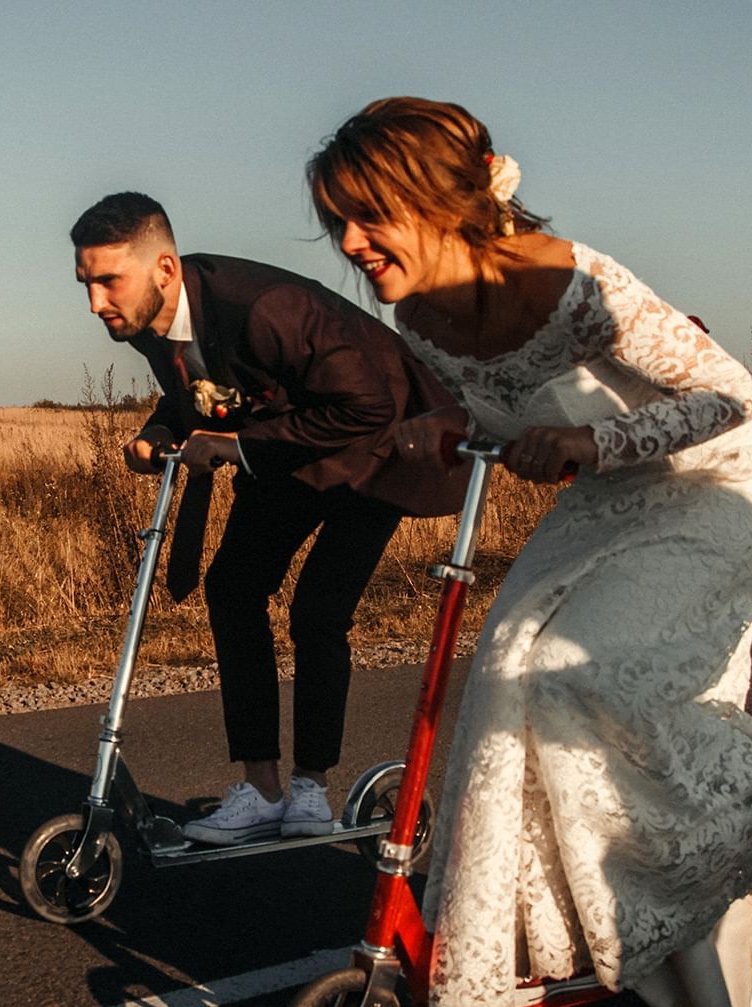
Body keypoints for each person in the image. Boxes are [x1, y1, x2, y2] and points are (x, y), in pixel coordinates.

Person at [306, 98, 752, 1007]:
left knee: (581, 680)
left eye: (370, 215)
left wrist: (585, 442)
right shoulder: (414, 318)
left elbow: (728, 402)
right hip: (613, 497)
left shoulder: (570, 280)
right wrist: (438, 438)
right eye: (338, 222)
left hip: (724, 482)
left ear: (441, 201)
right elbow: (484, 417)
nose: (350, 243)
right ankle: (529, 930)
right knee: (499, 678)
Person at [69, 192, 464, 846]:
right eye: (86, 284)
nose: (96, 303)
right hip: (289, 454)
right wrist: (159, 430)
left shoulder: (264, 308)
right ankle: (261, 789)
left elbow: (365, 404)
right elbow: (204, 393)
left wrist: (238, 448)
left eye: (109, 281)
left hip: (381, 449)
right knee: (234, 589)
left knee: (317, 611)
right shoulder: (145, 320)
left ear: (164, 270)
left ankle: (310, 790)